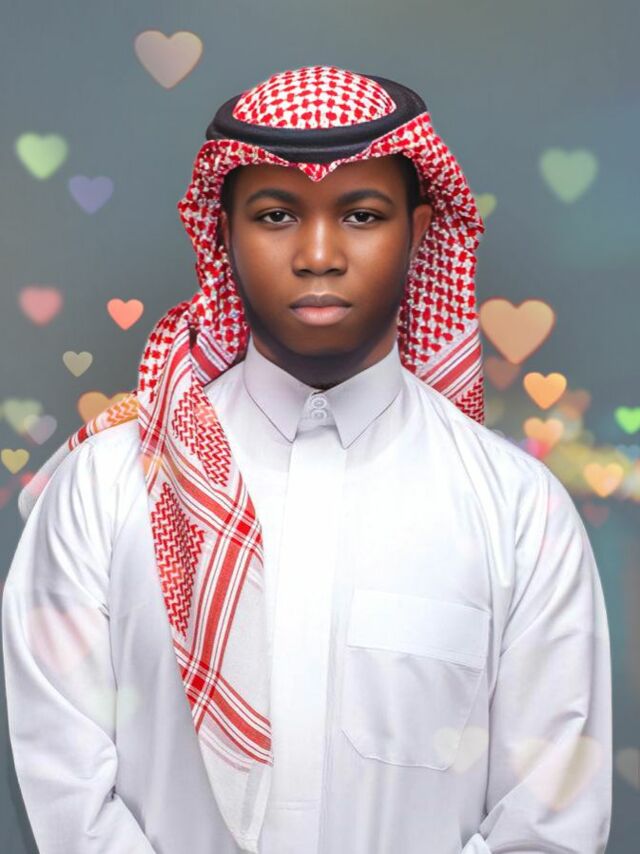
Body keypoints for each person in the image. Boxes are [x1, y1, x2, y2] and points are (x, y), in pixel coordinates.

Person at [2, 65, 612, 854]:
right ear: (224, 233)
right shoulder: (105, 489)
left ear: (419, 233)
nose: (318, 254)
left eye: (360, 215)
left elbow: (550, 817)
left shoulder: (520, 511)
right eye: (276, 214)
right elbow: (69, 793)